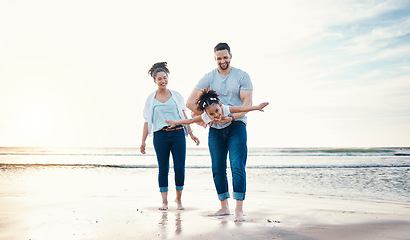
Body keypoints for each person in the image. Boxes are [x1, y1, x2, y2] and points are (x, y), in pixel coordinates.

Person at [186, 43, 253, 222]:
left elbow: (246, 105)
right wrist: (208, 116)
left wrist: (230, 118)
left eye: (225, 57)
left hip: (236, 125)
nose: (222, 61)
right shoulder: (208, 77)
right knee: (217, 168)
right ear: (214, 58)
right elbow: (190, 102)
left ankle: (239, 209)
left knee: (237, 165)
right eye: (219, 58)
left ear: (231, 56)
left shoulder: (242, 76)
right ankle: (224, 207)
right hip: (215, 129)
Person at [140, 62, 200, 211]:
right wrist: (142, 141)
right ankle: (164, 202)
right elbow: (147, 121)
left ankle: (178, 199)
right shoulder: (150, 98)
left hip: (178, 133)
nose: (163, 81)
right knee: (163, 169)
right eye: (159, 79)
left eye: (165, 78)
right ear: (154, 81)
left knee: (179, 168)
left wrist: (191, 133)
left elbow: (185, 115)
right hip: (160, 136)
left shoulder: (176, 96)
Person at [166, 88, 268, 127]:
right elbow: (191, 120)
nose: (216, 115)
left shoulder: (225, 109)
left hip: (231, 125)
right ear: (206, 112)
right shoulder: (206, 116)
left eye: (216, 111)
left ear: (219, 105)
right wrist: (176, 122)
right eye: (211, 114)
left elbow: (242, 109)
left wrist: (257, 107)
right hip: (217, 130)